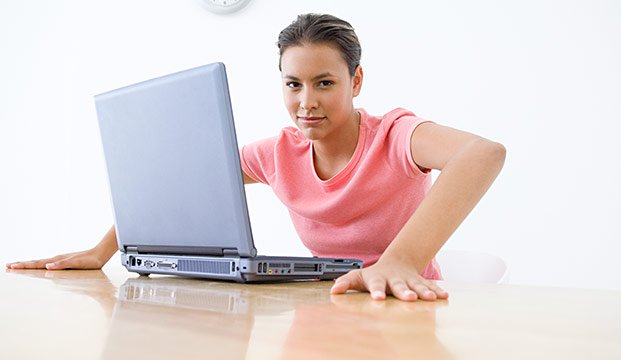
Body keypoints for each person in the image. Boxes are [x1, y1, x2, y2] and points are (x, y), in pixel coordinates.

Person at [7, 14, 506, 302]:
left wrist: (401, 259)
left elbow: (482, 153)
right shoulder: (276, 154)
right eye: (293, 84)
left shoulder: (396, 136)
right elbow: (182, 182)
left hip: (407, 305)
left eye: (325, 83)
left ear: (355, 82)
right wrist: (103, 251)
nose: (306, 101)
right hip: (335, 304)